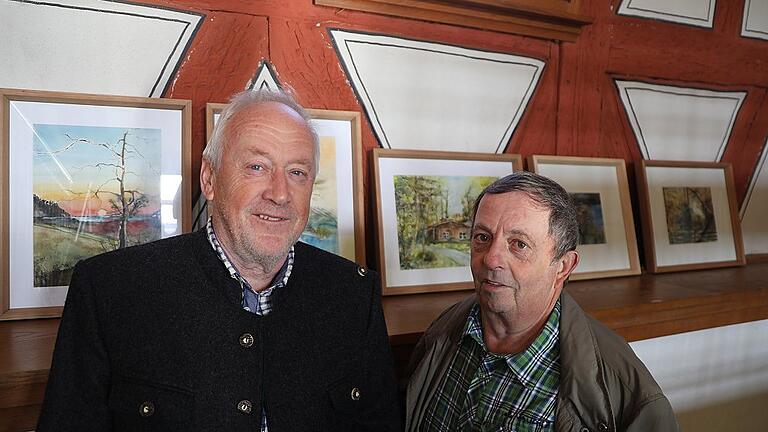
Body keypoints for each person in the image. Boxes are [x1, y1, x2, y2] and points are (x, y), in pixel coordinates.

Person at [37, 90, 401, 431]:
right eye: (257, 167)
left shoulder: (353, 294)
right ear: (209, 179)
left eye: (297, 173)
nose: (279, 194)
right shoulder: (111, 291)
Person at [405, 171, 679, 431]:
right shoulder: (444, 330)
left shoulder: (624, 388)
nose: (490, 258)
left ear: (562, 267)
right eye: (482, 238)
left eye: (519, 244)